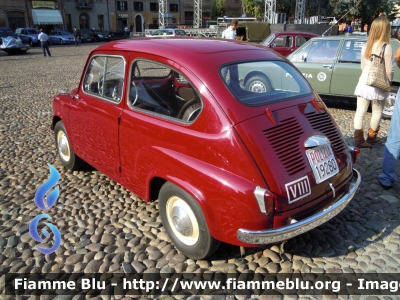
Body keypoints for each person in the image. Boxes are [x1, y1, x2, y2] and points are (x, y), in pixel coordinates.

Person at [353, 17, 394, 148]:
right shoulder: (386, 47)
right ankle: (371, 137)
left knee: (360, 112)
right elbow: (389, 70)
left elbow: (362, 66)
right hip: (378, 84)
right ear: (385, 30)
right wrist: (389, 81)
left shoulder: (366, 46)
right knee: (377, 112)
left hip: (364, 81)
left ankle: (359, 141)